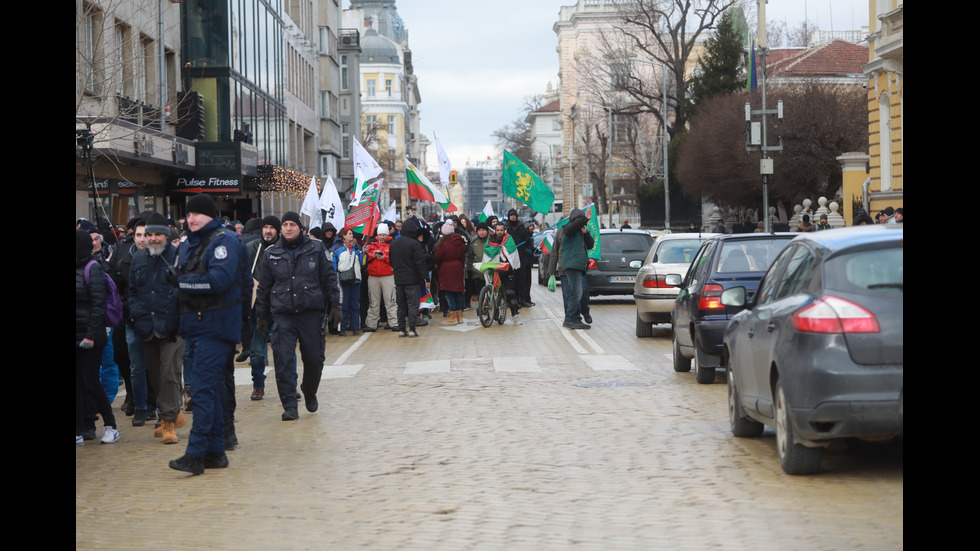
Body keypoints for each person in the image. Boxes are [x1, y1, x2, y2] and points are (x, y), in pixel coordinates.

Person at [169, 193, 245, 474]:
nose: (191, 219)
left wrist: (183, 284)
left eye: (197, 214)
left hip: (216, 325)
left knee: (201, 390)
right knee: (206, 390)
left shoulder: (225, 241)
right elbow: (178, 281)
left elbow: (219, 281)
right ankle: (215, 452)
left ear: (211, 215)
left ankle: (196, 454)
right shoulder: (189, 243)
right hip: (195, 325)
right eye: (188, 215)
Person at [255, 212, 341, 421]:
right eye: (285, 224)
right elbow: (264, 287)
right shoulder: (271, 253)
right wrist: (261, 316)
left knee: (314, 359)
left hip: (310, 313)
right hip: (283, 315)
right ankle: (289, 405)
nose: (288, 228)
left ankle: (310, 390)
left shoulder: (317, 248)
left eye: (292, 224)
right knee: (283, 360)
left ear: (300, 227)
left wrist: (335, 306)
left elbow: (329, 278)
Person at [128, 213, 185, 444]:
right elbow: (132, 291)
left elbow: (188, 291)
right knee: (156, 377)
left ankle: (168, 423)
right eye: (149, 234)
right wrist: (136, 315)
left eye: (157, 234)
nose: (152, 238)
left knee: (170, 373)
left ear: (167, 235)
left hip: (174, 328)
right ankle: (173, 413)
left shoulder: (180, 257)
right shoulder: (138, 259)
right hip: (146, 326)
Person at [76, 230, 120, 446]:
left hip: (90, 338)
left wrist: (91, 336)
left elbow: (98, 305)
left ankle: (111, 425)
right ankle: (78, 431)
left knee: (91, 382)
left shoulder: (93, 268)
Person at [245, 216, 280, 401]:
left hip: (281, 308)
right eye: (265, 227)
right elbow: (242, 274)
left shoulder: (284, 249)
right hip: (257, 309)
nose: (268, 231)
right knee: (257, 352)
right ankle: (258, 385)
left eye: (272, 228)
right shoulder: (252, 248)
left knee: (285, 351)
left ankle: (289, 385)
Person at [389, 217, 429, 338]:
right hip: (412, 280)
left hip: (399, 280)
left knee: (401, 305)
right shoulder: (415, 244)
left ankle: (401, 329)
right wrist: (426, 278)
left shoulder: (394, 243)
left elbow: (391, 261)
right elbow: (420, 263)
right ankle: (412, 329)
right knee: (413, 305)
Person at [558, 208, 594, 330]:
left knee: (577, 293)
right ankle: (570, 319)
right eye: (579, 220)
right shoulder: (568, 228)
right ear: (574, 220)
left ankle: (575, 319)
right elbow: (573, 227)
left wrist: (586, 233)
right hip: (572, 265)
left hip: (578, 266)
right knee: (576, 293)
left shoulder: (580, 232)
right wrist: (586, 218)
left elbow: (590, 245)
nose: (581, 223)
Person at [485, 222, 522, 325]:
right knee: (492, 293)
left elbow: (513, 252)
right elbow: (487, 250)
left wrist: (511, 266)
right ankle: (490, 315)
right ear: (495, 230)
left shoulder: (509, 239)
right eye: (498, 230)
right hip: (494, 270)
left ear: (504, 230)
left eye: (501, 230)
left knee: (511, 293)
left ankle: (515, 315)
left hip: (506, 270)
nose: (499, 232)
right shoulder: (491, 240)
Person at [364, 223, 398, 332]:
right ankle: (372, 324)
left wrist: (385, 258)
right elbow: (364, 259)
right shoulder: (371, 245)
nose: (382, 237)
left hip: (388, 275)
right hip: (373, 276)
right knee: (373, 301)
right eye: (380, 235)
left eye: (384, 235)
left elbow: (395, 259)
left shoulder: (393, 244)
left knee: (391, 301)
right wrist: (372, 256)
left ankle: (394, 323)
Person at [332, 228, 365, 336]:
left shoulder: (357, 248)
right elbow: (334, 265)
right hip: (343, 281)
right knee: (344, 306)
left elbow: (361, 263)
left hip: (356, 280)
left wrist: (363, 253)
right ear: (344, 236)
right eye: (350, 234)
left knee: (355, 305)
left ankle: (355, 328)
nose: (352, 236)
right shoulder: (337, 249)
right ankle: (342, 329)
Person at [434, 220, 467, 325]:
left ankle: (452, 316)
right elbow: (463, 257)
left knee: (449, 293)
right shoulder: (459, 242)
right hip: (458, 269)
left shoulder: (443, 244)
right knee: (458, 293)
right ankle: (459, 316)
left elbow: (438, 256)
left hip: (446, 270)